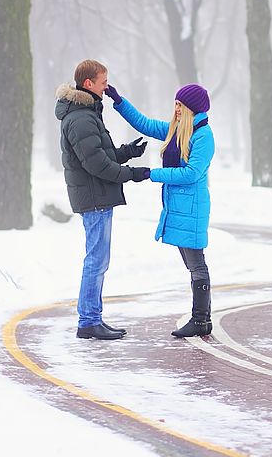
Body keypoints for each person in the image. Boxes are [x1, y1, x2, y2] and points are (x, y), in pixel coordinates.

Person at [104, 82, 215, 338]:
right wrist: (119, 102)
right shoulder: (177, 132)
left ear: (191, 108)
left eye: (180, 105)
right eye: (175, 104)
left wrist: (151, 173)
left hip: (192, 208)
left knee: (196, 264)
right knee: (192, 263)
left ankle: (200, 320)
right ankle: (203, 319)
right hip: (178, 207)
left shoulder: (203, 136)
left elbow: (191, 173)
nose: (176, 109)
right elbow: (145, 124)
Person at [55, 59, 152, 340]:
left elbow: (100, 154)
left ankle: (93, 318)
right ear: (89, 84)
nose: (106, 86)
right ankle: (88, 321)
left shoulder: (87, 114)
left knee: (99, 259)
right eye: (103, 81)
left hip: (97, 195)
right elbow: (96, 165)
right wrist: (132, 174)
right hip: (94, 197)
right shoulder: (81, 118)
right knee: (96, 260)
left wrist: (127, 152)